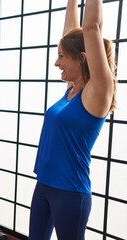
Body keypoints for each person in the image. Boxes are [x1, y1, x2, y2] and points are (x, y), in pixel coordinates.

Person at [28, 0, 117, 239]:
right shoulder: (71, 89)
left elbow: (91, 28)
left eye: (61, 57)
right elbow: (71, 33)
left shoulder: (96, 92)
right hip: (44, 185)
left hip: (69, 192)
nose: (56, 62)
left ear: (82, 58)